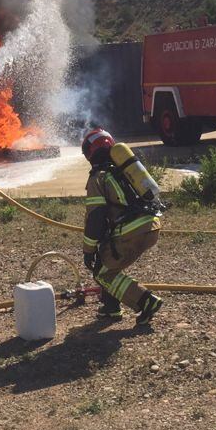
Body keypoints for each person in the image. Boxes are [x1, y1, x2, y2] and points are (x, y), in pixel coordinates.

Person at [81, 127, 163, 325]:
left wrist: (88, 250)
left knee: (102, 273)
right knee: (107, 262)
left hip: (131, 231)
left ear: (90, 153)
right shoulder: (124, 172)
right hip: (151, 225)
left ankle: (146, 301)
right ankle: (111, 308)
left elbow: (96, 218)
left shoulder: (98, 177)